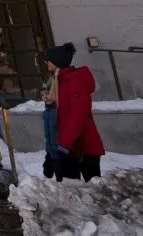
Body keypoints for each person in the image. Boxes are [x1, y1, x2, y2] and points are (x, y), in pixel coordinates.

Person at [47, 42, 104, 183]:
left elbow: (78, 115)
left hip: (82, 147)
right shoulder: (60, 82)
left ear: (57, 61)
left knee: (88, 191)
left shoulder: (74, 82)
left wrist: (64, 145)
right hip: (70, 147)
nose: (46, 62)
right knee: (70, 190)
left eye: (49, 59)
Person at [40, 57, 61, 178]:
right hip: (50, 110)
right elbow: (48, 137)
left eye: (49, 60)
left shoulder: (59, 76)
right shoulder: (51, 78)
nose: (46, 63)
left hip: (61, 155)